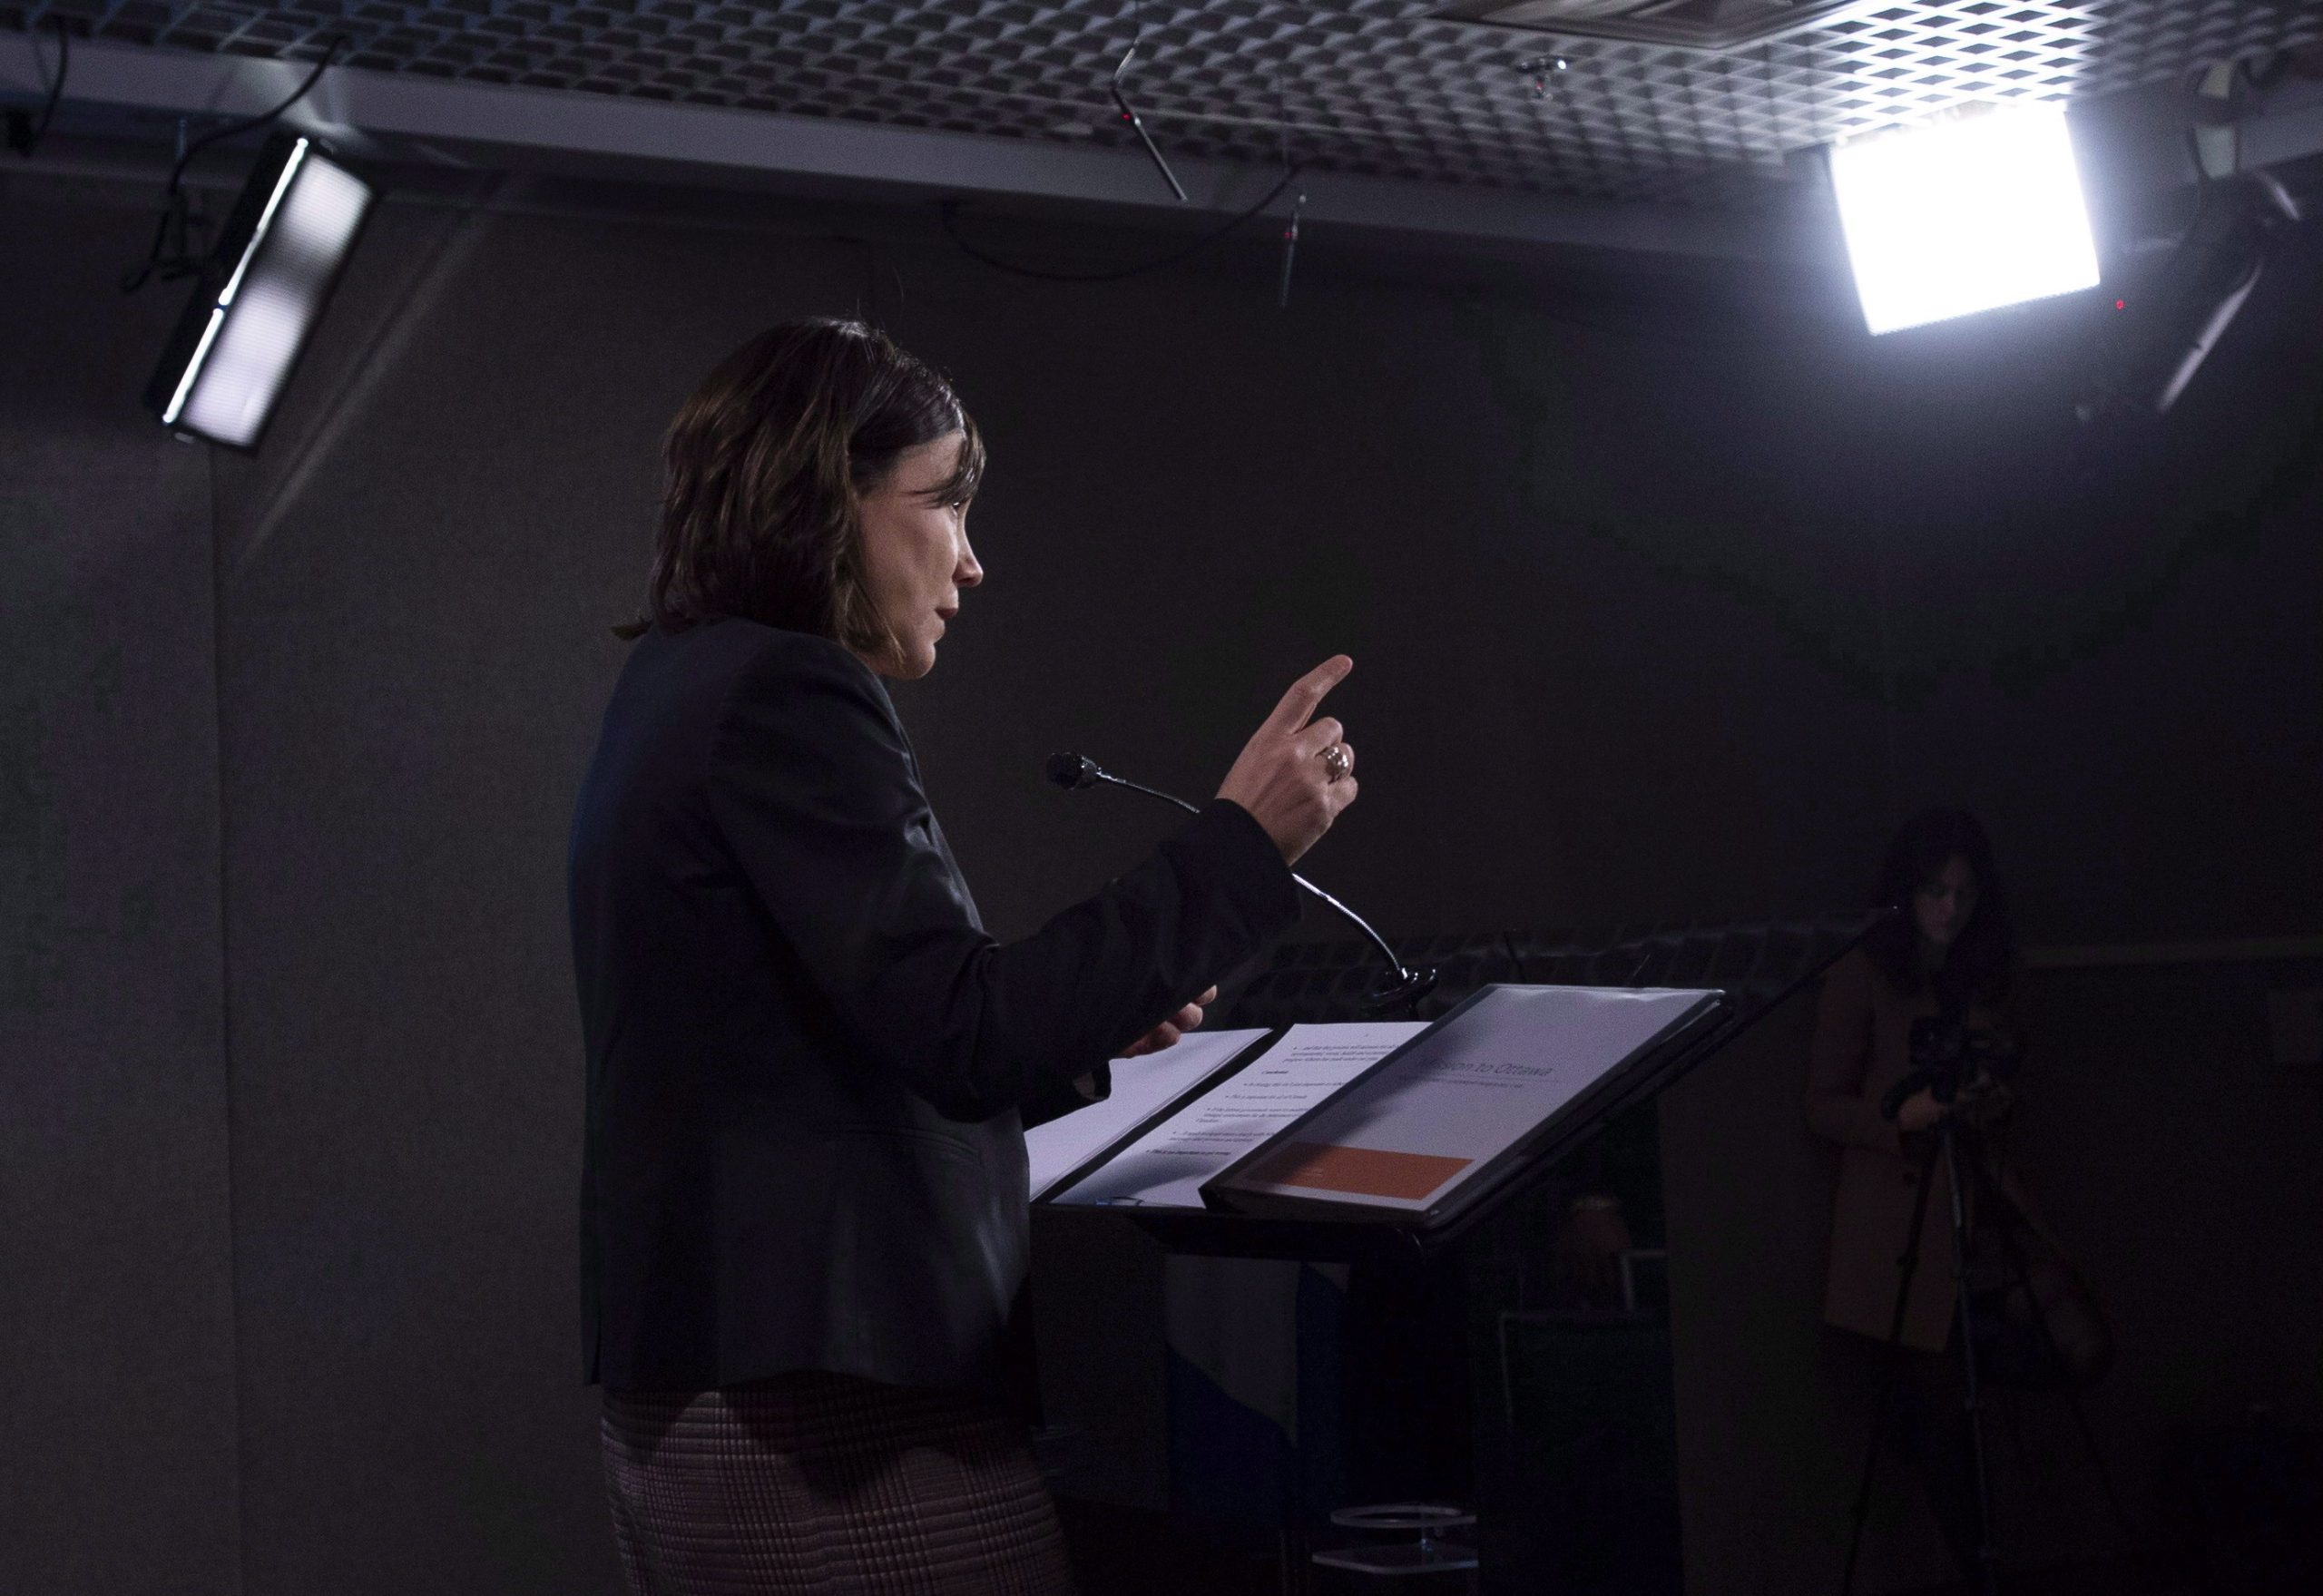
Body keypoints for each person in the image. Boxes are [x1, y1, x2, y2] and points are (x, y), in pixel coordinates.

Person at [568, 319, 1361, 1593]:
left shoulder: (678, 685)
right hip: (833, 1413)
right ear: (830, 498)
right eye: (944, 503)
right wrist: (1242, 847)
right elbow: (966, 1024)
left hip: (722, 1387)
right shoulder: (790, 691)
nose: (973, 562)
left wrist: (1091, 1017)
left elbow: (853, 1042)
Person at [1807, 808, 2107, 1581]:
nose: (1948, 909)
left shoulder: (1988, 974)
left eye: (1964, 894)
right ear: (1907, 893)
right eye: (1935, 891)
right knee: (1941, 1413)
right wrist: (1896, 1115)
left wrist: (1989, 1097)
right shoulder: (1863, 971)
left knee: (2079, 1343)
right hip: (1900, 1224)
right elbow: (1823, 1103)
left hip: (1979, 1211)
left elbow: (2007, 1069)